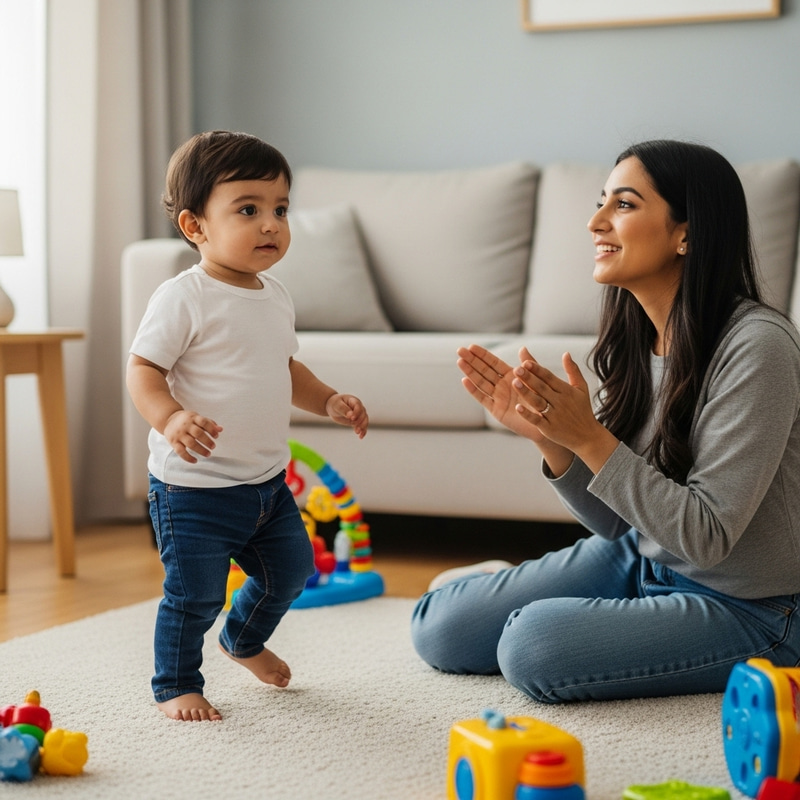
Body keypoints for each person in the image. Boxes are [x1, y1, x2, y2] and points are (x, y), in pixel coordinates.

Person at [411, 139, 800, 703]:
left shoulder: (758, 347)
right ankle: (505, 588)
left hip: (753, 608)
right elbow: (619, 525)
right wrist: (552, 441)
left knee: (531, 646)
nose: (595, 222)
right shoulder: (639, 338)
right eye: (601, 202)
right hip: (643, 557)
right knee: (439, 627)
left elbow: (707, 537)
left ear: (686, 233)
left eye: (623, 204)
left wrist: (590, 438)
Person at [127, 130, 369, 721]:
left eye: (280, 210)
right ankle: (176, 684)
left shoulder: (275, 295)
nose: (270, 224)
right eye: (248, 210)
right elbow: (142, 369)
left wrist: (329, 400)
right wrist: (171, 416)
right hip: (193, 489)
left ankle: (242, 639)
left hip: (265, 484)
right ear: (195, 226)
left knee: (292, 572)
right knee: (195, 596)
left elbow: (286, 368)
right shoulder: (183, 297)